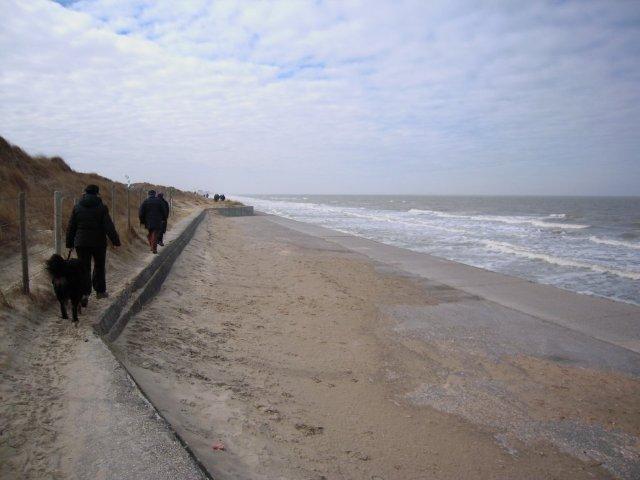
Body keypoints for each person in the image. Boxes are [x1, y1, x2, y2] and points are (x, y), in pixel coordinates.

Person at [65, 184, 120, 300]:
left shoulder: (77, 207)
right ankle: (100, 292)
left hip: (81, 242)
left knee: (84, 267)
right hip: (98, 243)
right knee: (99, 266)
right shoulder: (102, 207)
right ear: (97, 194)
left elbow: (71, 227)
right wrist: (115, 241)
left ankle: (85, 293)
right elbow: (108, 226)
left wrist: (69, 243)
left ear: (84, 193)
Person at [139, 189, 168, 254]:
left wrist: (142, 221)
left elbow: (141, 212)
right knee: (155, 234)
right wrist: (164, 219)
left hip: (148, 221)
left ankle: (152, 246)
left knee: (150, 234)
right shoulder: (159, 201)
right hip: (157, 221)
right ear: (155, 194)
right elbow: (164, 211)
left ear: (148, 194)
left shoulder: (145, 201)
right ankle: (153, 248)